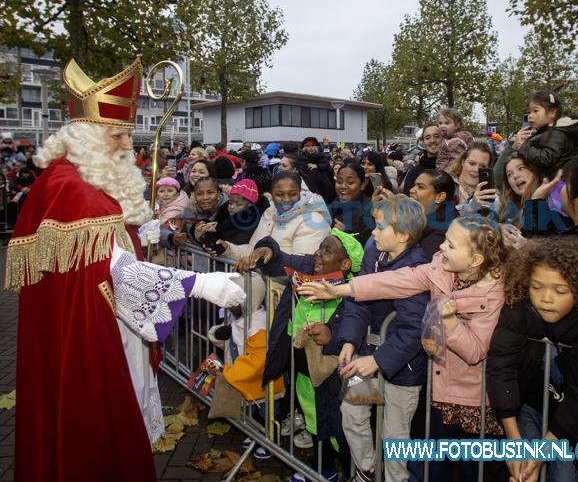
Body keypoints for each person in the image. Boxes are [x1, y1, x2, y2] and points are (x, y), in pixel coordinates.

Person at [4, 58, 245, 482]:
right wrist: (198, 282)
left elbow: (106, 246)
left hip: (106, 322)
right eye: (117, 135)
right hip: (92, 330)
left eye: (128, 135)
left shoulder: (82, 177)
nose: (125, 146)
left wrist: (139, 229)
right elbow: (111, 271)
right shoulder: (71, 187)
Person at [299, 215, 508, 482]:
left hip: (471, 398)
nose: (442, 247)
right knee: (431, 465)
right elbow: (392, 280)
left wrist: (451, 323)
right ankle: (367, 471)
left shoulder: (493, 294)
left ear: (476, 260)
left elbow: (476, 350)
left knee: (468, 469)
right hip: (439, 388)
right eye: (445, 240)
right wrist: (343, 291)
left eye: (451, 245)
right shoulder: (436, 269)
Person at [488, 237, 578, 482]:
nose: (546, 298)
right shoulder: (518, 307)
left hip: (576, 420)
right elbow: (500, 367)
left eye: (560, 290)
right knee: (523, 472)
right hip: (531, 405)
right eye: (536, 287)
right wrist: (514, 442)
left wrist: (543, 451)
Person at [236, 229, 366, 482]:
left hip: (334, 378)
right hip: (304, 373)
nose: (318, 254)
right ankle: (324, 469)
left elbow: (354, 324)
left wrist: (332, 333)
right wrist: (267, 249)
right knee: (315, 423)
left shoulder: (351, 292)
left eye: (327, 250)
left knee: (338, 428)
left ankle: (347, 472)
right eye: (320, 247)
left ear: (346, 264)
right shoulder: (309, 271)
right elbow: (280, 257)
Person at [337, 195, 430, 482]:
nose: (373, 232)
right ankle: (367, 469)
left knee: (395, 437)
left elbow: (415, 328)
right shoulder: (374, 255)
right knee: (351, 410)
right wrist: (350, 340)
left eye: (380, 227)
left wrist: (377, 360)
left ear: (402, 235)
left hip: (403, 370)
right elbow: (358, 297)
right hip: (367, 354)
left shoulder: (417, 269)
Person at [513, 90, 578, 179]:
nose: (530, 115)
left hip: (558, 184)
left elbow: (546, 159)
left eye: (535, 111)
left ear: (553, 113)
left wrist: (524, 147)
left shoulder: (557, 133)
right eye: (529, 112)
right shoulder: (548, 131)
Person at [408, 169, 458, 259]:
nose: (411, 190)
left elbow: (418, 263)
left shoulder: (446, 231)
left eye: (420, 187)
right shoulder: (414, 215)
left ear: (439, 197)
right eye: (414, 185)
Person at [329, 163, 373, 245]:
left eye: (350, 182)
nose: (343, 186)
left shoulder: (369, 212)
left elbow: (368, 250)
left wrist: (345, 236)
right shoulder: (333, 205)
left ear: (362, 185)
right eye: (339, 181)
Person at [447, 142, 494, 208]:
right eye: (472, 163)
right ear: (462, 162)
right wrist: (472, 207)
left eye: (483, 167)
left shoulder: (491, 195)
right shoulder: (444, 186)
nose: (476, 169)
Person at [401, 123, 442, 195]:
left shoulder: (453, 168)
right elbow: (408, 203)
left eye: (436, 136)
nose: (432, 140)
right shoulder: (413, 172)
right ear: (423, 142)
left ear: (443, 139)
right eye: (427, 138)